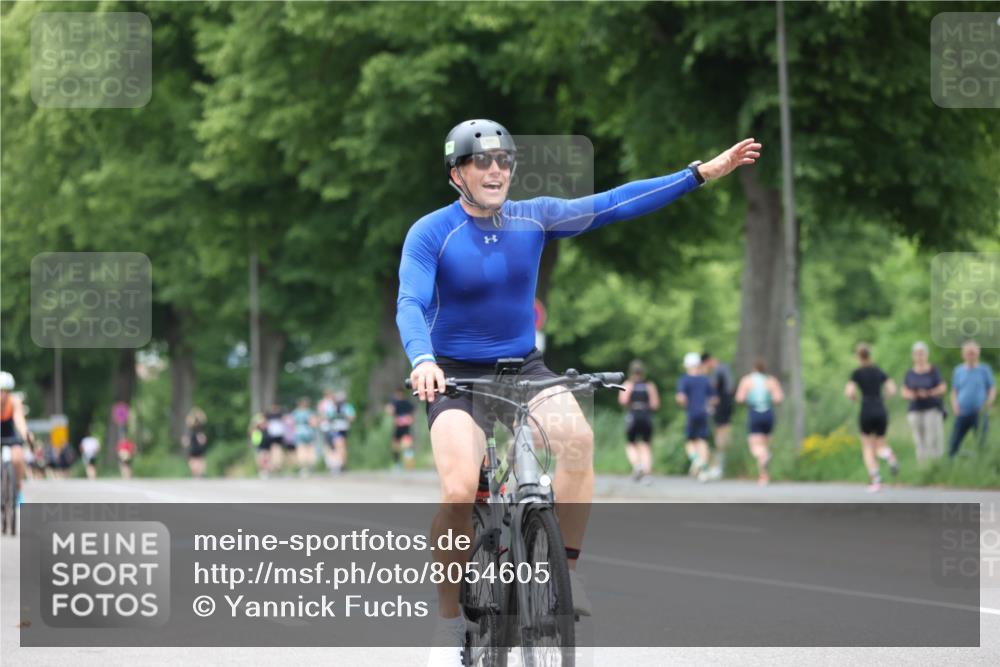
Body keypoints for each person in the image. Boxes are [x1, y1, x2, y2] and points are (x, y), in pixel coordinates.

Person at [396, 118, 760, 665]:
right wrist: (423, 360)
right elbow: (410, 302)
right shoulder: (431, 232)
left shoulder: (535, 217)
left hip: (523, 368)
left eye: (504, 160)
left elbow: (614, 203)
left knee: (578, 441)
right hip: (453, 375)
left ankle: (563, 574)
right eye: (481, 161)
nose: (495, 170)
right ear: (457, 173)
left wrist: (698, 175)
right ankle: (449, 625)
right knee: (457, 490)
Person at [845, 343, 898, 492]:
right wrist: (884, 398)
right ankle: (889, 455)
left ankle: (876, 480)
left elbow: (849, 392)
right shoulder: (879, 371)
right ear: (870, 354)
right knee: (880, 445)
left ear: (858, 356)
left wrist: (856, 399)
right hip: (880, 408)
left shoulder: (857, 373)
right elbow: (892, 389)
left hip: (866, 408)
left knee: (867, 446)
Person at [734, 359, 784, 485]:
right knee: (765, 446)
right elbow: (779, 398)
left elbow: (739, 398)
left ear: (753, 368)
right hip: (768, 413)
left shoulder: (747, 380)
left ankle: (765, 460)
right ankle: (764, 476)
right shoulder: (771, 380)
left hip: (754, 413)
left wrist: (749, 398)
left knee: (756, 447)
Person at [901, 342, 947, 463]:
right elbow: (904, 392)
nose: (919, 356)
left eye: (921, 353)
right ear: (913, 356)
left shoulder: (933, 370)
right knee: (919, 440)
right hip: (915, 409)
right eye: (917, 354)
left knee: (932, 439)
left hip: (931, 408)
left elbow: (942, 387)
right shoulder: (909, 373)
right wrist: (914, 394)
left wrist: (929, 393)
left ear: (926, 355)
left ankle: (935, 465)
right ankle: (922, 466)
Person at [949, 340, 996, 457]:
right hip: (962, 413)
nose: (971, 356)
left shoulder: (984, 370)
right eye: (968, 353)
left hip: (979, 414)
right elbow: (954, 391)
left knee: (981, 442)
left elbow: (992, 389)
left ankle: (982, 466)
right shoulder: (958, 371)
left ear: (978, 354)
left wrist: (987, 404)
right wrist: (955, 406)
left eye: (973, 353)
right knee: (953, 443)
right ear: (963, 354)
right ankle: (949, 466)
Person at [676, 352, 717, 481]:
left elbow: (681, 398)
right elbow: (714, 398)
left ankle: (696, 460)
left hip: (691, 413)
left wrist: (683, 403)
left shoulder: (684, 379)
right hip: (704, 413)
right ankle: (703, 471)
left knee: (690, 441)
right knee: (702, 440)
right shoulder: (705, 379)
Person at [618, 359, 660, 482]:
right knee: (646, 444)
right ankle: (646, 472)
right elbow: (655, 404)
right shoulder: (650, 385)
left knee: (631, 443)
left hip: (633, 416)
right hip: (646, 416)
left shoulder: (628, 384)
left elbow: (623, 401)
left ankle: (637, 465)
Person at [701, 352, 735, 480]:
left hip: (720, 404)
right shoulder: (725, 367)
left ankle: (719, 466)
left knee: (719, 434)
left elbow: (712, 386)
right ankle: (723, 463)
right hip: (728, 403)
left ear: (707, 361)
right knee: (725, 430)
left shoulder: (716, 370)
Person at [1, 371, 32, 504]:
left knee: (18, 457)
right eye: (1, 391)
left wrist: (26, 434)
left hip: (9, 434)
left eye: (7, 391)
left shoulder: (14, 401)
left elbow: (19, 420)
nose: (3, 394)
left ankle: (17, 489)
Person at [387, 388, 417, 471]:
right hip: (397, 428)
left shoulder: (407, 403)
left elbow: (412, 413)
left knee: (407, 445)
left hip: (405, 427)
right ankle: (397, 464)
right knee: (395, 446)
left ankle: (409, 464)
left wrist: (409, 419)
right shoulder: (394, 403)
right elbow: (389, 411)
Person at [327, 391, 356, 474]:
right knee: (341, 447)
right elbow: (352, 418)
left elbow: (327, 417)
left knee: (339, 447)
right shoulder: (346, 407)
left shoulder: (344, 407)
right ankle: (341, 465)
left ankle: (340, 465)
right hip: (341, 429)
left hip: (339, 429)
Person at [291, 397, 317, 477]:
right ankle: (310, 466)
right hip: (308, 431)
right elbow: (313, 423)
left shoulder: (295, 412)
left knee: (301, 450)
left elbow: (292, 423)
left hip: (299, 432)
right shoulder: (309, 412)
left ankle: (303, 468)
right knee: (310, 450)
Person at [184, 407, 209, 478]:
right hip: (194, 443)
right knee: (195, 459)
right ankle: (197, 472)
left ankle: (198, 473)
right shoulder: (193, 425)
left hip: (196, 443)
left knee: (197, 459)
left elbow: (203, 419)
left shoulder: (198, 425)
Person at [248, 412, 270, 478]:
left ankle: (266, 470)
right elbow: (251, 432)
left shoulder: (266, 423)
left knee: (266, 457)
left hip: (266, 442)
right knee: (260, 457)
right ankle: (262, 470)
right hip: (259, 442)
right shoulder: (256, 426)